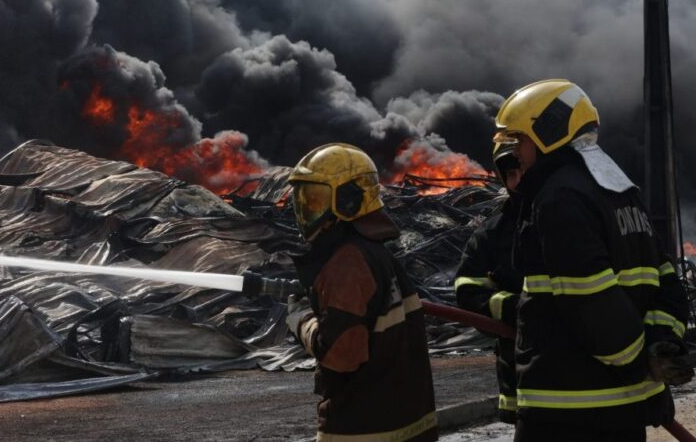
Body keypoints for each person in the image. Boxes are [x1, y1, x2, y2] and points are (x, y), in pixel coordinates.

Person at [496, 79, 693, 442]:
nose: (516, 152)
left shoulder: (559, 198)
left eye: (520, 140)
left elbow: (591, 298)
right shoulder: (621, 191)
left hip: (568, 413)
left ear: (547, 133)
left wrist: (634, 361)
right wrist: (659, 342)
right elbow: (666, 280)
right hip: (624, 412)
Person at [285, 142, 438, 441]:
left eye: (315, 201)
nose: (307, 212)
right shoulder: (378, 254)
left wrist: (301, 320)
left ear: (349, 201)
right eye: (303, 202)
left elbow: (342, 354)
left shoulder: (348, 262)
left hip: (362, 428)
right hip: (408, 423)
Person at [454, 139, 523, 424]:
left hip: (579, 379)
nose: (518, 181)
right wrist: (512, 308)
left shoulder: (573, 218)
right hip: (520, 378)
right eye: (511, 175)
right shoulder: (492, 232)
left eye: (522, 171)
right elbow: (466, 289)